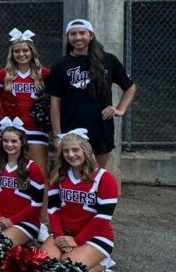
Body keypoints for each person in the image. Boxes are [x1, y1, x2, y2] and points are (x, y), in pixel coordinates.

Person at [48, 19, 138, 169]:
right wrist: (58, 135)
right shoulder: (60, 65)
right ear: (68, 38)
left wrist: (120, 109)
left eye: (82, 33)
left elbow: (130, 87)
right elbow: (55, 102)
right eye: (73, 34)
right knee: (73, 175)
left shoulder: (108, 60)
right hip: (71, 129)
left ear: (91, 35)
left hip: (101, 128)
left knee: (96, 175)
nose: (78, 37)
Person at [43, 129, 119, 272]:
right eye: (66, 151)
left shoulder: (104, 178)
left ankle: (103, 263)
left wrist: (77, 241)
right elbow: (53, 208)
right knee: (43, 264)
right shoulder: (59, 175)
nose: (71, 155)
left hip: (96, 236)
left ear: (85, 150)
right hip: (65, 234)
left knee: (66, 270)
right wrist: (59, 235)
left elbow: (103, 217)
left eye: (75, 150)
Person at [0, 29, 51, 176]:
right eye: (17, 51)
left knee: (39, 174)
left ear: (32, 52)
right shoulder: (3, 74)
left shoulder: (45, 74)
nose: (21, 54)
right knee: (9, 173)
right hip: (10, 130)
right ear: (11, 54)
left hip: (36, 129)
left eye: (25, 50)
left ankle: (42, 200)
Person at [0, 118, 45, 247]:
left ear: (22, 143)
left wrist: (12, 221)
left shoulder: (33, 168)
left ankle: (23, 242)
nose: (9, 144)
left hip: (26, 222)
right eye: (5, 141)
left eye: (14, 141)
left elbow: (37, 202)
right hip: (0, 218)